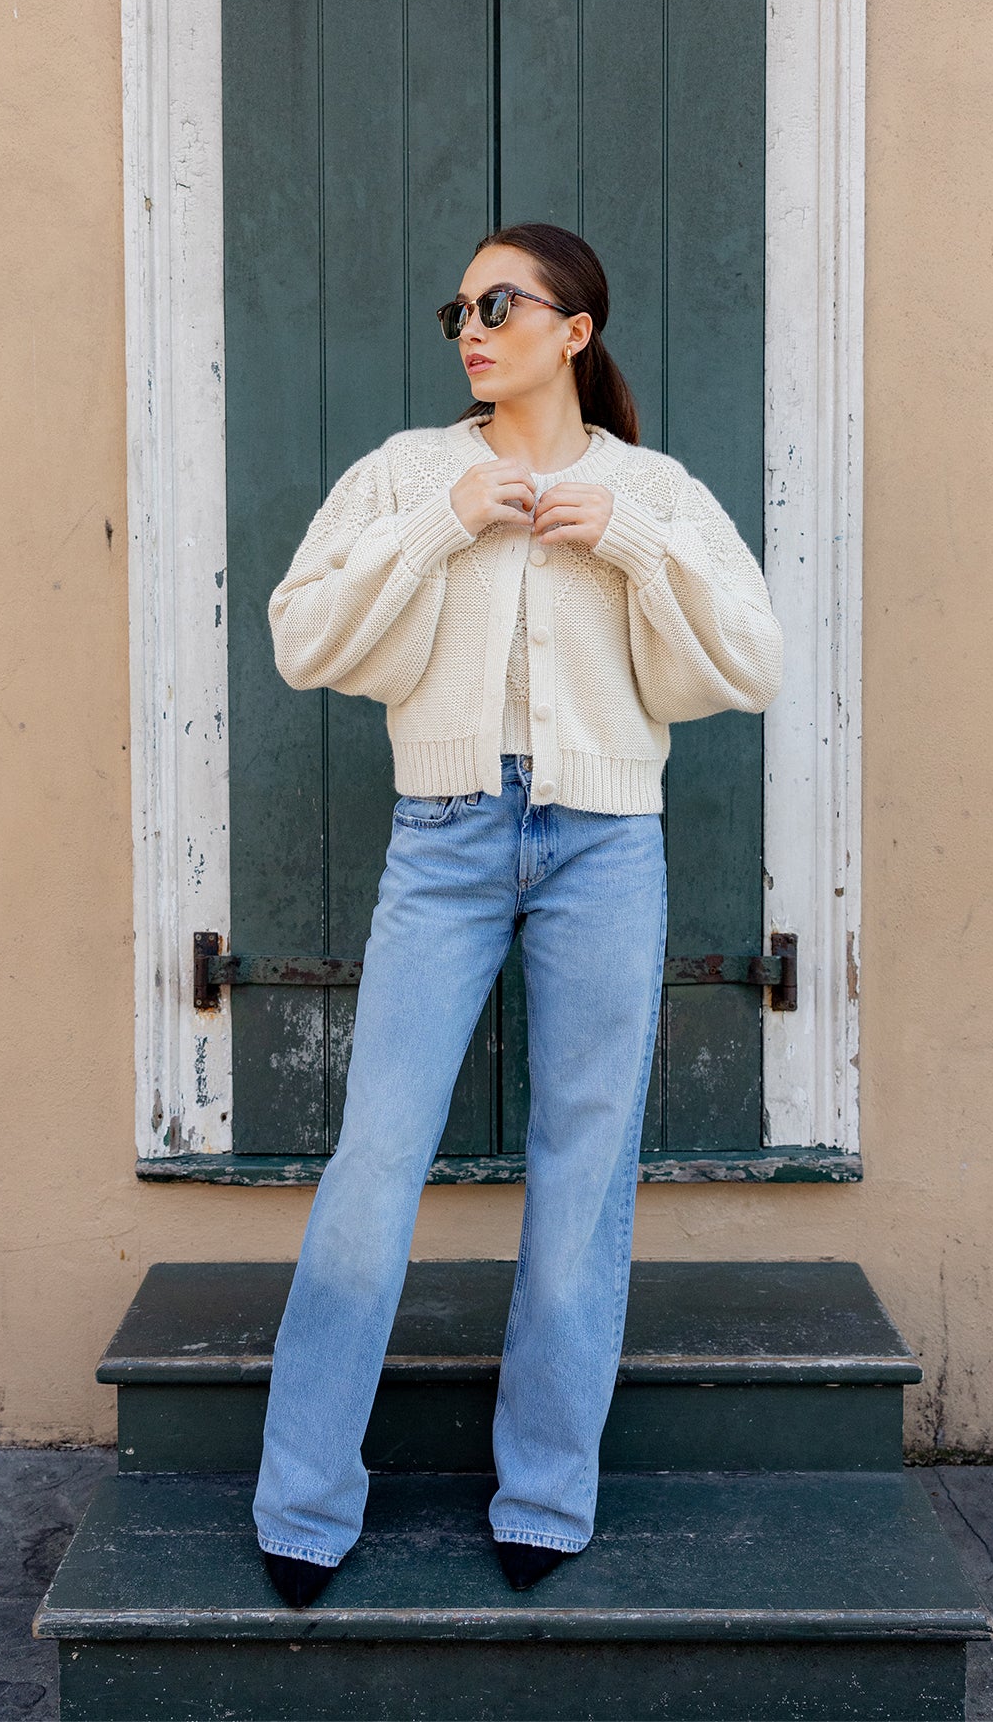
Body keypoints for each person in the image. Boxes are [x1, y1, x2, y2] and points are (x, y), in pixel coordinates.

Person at [252, 221, 783, 1609]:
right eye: (461, 312)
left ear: (574, 329)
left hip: (606, 844)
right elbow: (302, 635)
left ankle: (546, 1491)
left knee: (585, 1168)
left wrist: (635, 547)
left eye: (500, 305)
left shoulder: (651, 490)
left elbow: (753, 661)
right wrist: (446, 521)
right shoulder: (408, 472)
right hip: (444, 838)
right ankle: (302, 1498)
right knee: (377, 1158)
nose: (473, 331)